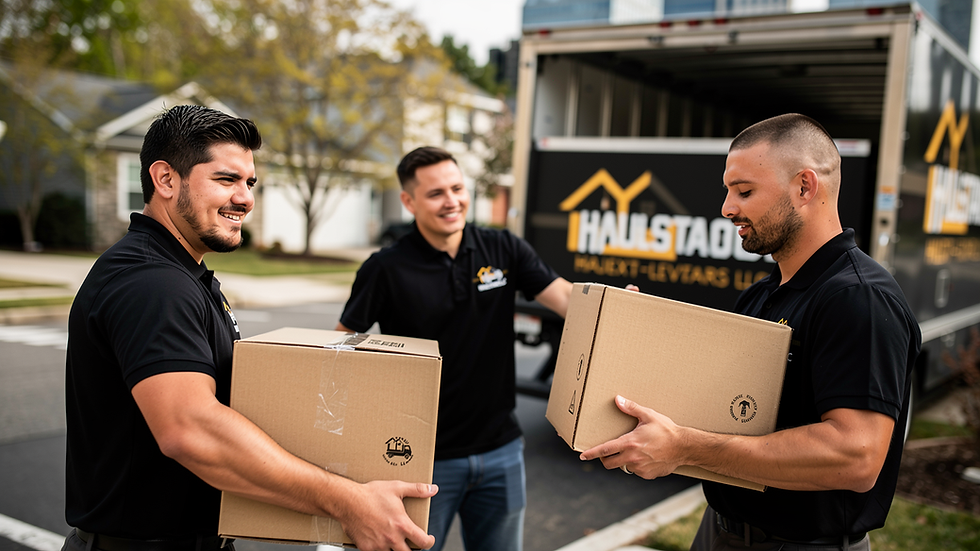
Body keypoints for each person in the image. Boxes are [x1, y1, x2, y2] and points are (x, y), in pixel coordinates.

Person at [64, 105, 436, 551]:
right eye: (226, 179)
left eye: (250, 182)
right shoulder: (152, 283)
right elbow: (191, 430)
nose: (245, 197)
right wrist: (349, 502)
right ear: (165, 179)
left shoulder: (181, 272)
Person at [580, 114, 921, 551]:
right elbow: (729, 412)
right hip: (721, 530)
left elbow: (855, 456)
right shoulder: (762, 295)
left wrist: (685, 448)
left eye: (744, 191)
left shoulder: (859, 299)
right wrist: (637, 336)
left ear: (804, 187)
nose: (727, 207)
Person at [336, 146, 573, 551]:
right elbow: (340, 349)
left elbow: (569, 301)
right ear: (409, 201)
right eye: (436, 194)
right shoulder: (386, 268)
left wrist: (613, 308)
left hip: (501, 449)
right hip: (420, 460)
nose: (452, 201)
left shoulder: (503, 249)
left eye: (457, 188)